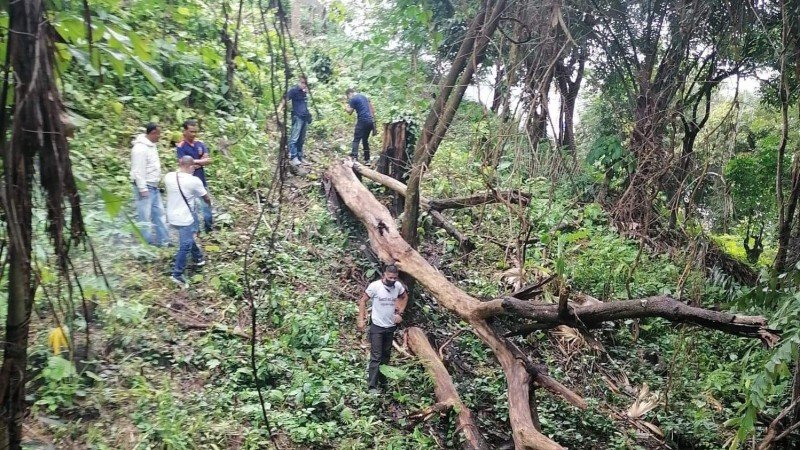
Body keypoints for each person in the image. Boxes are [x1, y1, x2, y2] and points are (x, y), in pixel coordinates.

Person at [357, 264, 408, 392]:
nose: (392, 280)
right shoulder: (375, 286)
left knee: (386, 355)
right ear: (384, 275)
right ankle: (372, 386)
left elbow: (404, 297)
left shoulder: (398, 286)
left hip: (390, 326)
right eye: (390, 277)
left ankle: (383, 381)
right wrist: (361, 319)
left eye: (395, 278)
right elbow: (363, 301)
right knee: (376, 356)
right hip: (377, 326)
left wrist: (400, 313)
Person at [164, 156, 211, 288]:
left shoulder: (168, 176)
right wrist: (209, 204)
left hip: (171, 216)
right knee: (185, 244)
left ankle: (198, 258)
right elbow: (205, 197)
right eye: (193, 168)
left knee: (188, 237)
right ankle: (177, 274)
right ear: (191, 167)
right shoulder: (194, 181)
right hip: (184, 218)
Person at [130, 122, 170, 246]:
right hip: (145, 187)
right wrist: (142, 188)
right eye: (158, 134)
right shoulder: (140, 149)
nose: (160, 136)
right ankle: (146, 244)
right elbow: (138, 170)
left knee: (159, 214)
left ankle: (164, 241)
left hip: (154, 186)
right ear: (152, 133)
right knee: (145, 217)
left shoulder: (152, 145)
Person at [175, 119, 213, 233]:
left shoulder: (200, 144)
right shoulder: (181, 146)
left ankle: (209, 229)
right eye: (191, 131)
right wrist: (199, 161)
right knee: (192, 207)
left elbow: (208, 160)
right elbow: (182, 162)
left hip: (200, 180)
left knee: (206, 204)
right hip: (188, 182)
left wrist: (192, 162)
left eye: (195, 131)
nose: (194, 134)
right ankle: (196, 231)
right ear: (185, 131)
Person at [278, 76, 313, 167]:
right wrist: (279, 110)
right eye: (302, 83)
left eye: (305, 83)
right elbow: (285, 99)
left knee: (301, 139)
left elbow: (304, 105)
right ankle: (294, 157)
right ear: (299, 82)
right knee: (294, 138)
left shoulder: (304, 92)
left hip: (304, 117)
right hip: (297, 117)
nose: (304, 85)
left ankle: (300, 157)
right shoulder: (294, 90)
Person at [345, 88, 376, 162]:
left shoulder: (353, 99)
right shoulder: (364, 97)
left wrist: (346, 107)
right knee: (365, 140)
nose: (348, 98)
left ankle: (354, 157)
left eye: (347, 97)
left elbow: (350, 112)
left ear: (350, 93)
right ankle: (367, 159)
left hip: (362, 120)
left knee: (356, 139)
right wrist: (374, 125)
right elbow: (372, 110)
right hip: (370, 121)